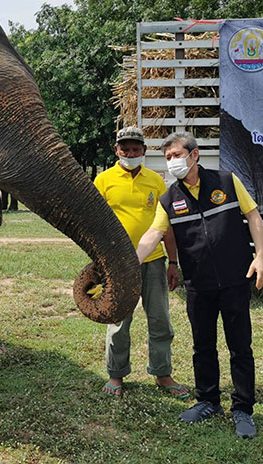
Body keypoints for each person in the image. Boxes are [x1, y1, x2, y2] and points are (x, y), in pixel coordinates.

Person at [135, 132, 263, 439]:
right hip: (198, 284)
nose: (172, 162)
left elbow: (253, 216)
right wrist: (132, 261)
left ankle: (243, 409)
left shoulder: (226, 181)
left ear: (194, 155)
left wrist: (260, 256)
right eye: (168, 158)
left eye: (177, 155)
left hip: (235, 279)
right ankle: (208, 401)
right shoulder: (169, 198)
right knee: (202, 346)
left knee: (240, 347)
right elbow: (153, 234)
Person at [93, 127, 189, 399]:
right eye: (125, 149)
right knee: (119, 320)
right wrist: (99, 261)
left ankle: (162, 373)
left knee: (160, 320)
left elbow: (166, 226)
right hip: (118, 264)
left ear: (144, 151)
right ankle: (116, 374)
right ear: (116, 150)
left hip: (154, 261)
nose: (130, 153)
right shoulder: (103, 180)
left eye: (136, 149)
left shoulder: (156, 181)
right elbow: (94, 225)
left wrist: (173, 262)